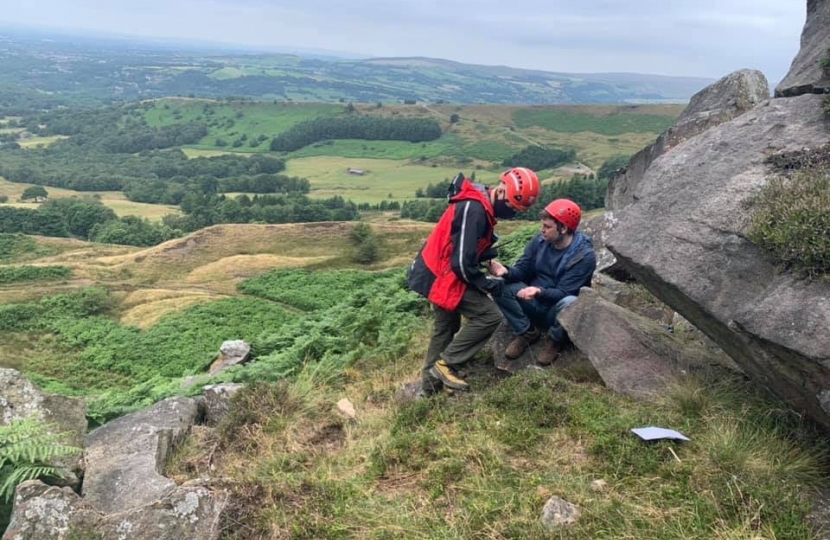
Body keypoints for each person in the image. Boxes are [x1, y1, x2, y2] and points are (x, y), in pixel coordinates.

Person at [407, 168, 540, 393]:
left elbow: (461, 250)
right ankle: (447, 365)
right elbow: (461, 264)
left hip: (435, 271)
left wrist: (484, 254)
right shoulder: (475, 209)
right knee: (489, 316)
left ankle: (429, 389)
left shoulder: (479, 206)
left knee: (446, 326)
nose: (511, 214)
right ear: (501, 191)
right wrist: (489, 284)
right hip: (442, 275)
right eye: (510, 208)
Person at [488, 198, 595, 366]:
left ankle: (555, 339)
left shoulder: (584, 256)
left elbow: (565, 292)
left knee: (571, 302)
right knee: (498, 285)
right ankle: (527, 332)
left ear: (564, 228)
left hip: (556, 311)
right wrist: (506, 271)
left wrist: (538, 291)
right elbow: (522, 269)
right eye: (542, 225)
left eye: (547, 226)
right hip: (532, 300)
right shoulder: (539, 241)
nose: (542, 230)